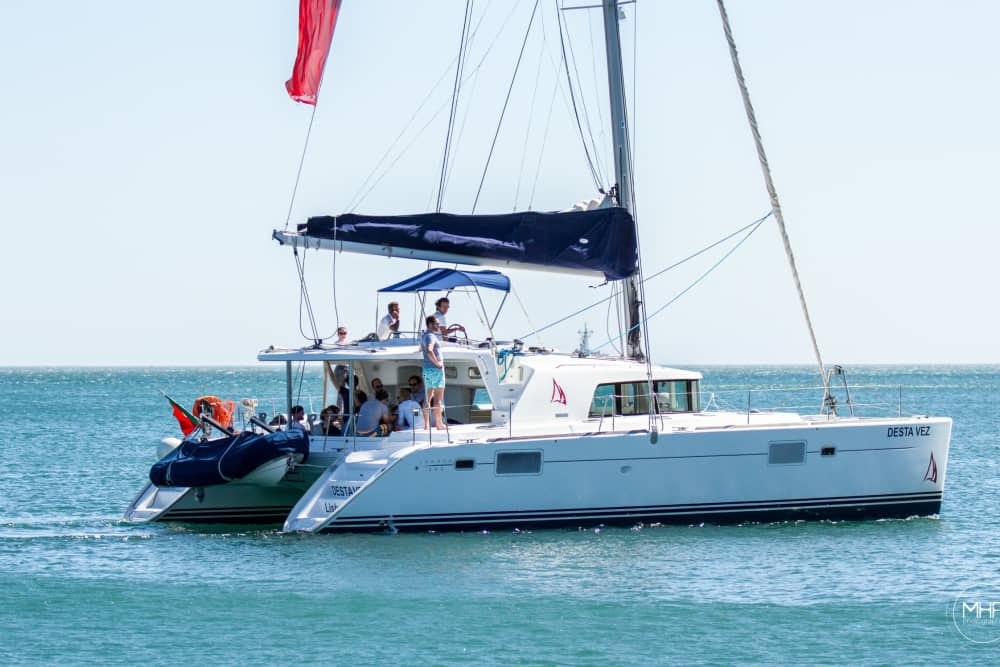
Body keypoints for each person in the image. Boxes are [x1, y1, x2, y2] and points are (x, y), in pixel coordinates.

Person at [420, 315, 446, 430]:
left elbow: (422, 348)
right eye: (436, 323)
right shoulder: (431, 336)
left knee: (427, 398)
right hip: (435, 369)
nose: (438, 325)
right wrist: (437, 364)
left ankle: (426, 425)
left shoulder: (424, 336)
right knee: (438, 399)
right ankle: (439, 425)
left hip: (427, 369)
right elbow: (429, 350)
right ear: (430, 324)